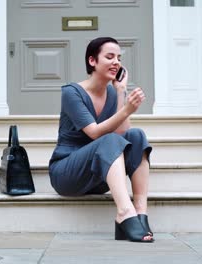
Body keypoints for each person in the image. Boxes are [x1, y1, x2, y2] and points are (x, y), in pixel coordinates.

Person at [48, 37, 153, 243]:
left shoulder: (113, 93)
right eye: (109, 56)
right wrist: (127, 110)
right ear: (92, 61)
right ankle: (124, 212)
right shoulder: (72, 92)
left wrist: (121, 92)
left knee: (137, 135)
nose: (117, 62)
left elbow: (123, 135)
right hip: (67, 173)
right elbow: (95, 133)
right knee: (108, 140)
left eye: (119, 58)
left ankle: (140, 213)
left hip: (98, 176)